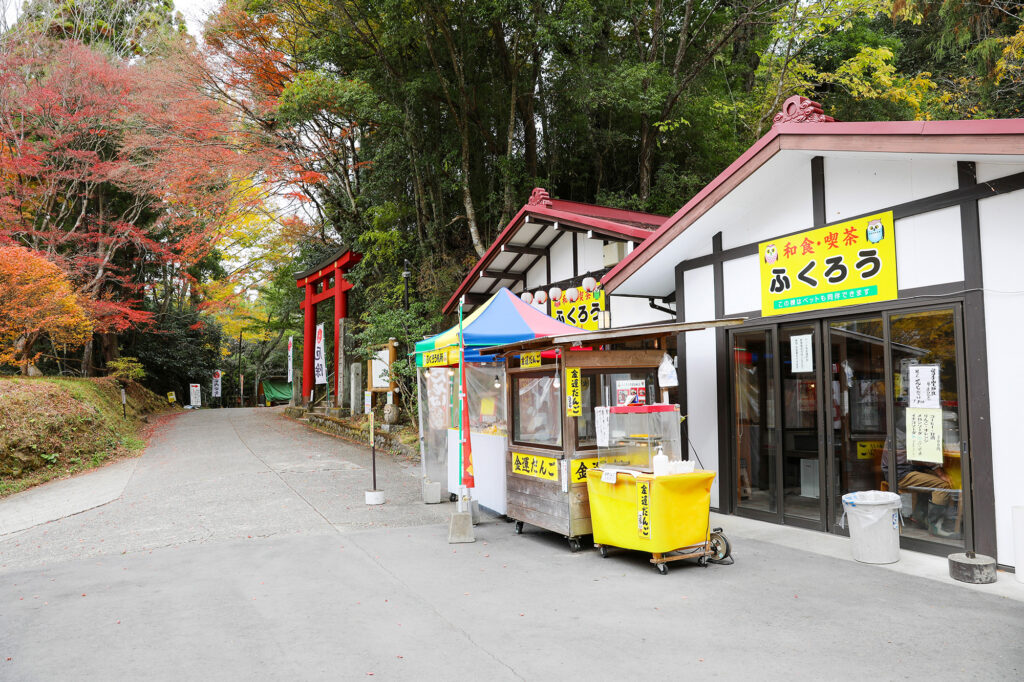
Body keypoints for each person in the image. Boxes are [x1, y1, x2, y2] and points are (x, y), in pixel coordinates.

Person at [882, 429, 958, 539]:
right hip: (900, 473)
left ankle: (920, 516)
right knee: (942, 485)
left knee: (933, 479)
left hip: (900, 470)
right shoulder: (905, 429)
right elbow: (923, 452)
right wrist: (940, 473)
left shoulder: (899, 427)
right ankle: (935, 526)